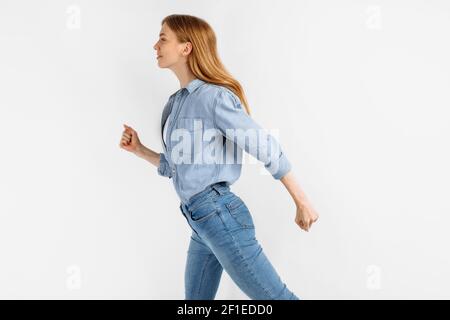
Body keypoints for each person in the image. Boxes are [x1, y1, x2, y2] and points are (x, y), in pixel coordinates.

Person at [119, 14, 319, 300]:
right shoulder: (177, 103)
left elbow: (263, 145)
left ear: (186, 48)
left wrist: (302, 201)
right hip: (200, 221)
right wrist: (140, 150)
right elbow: (177, 168)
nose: (155, 45)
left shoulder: (214, 98)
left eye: (163, 38)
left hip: (219, 213)